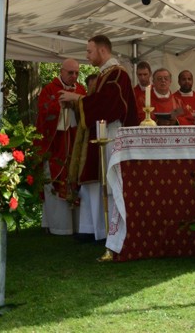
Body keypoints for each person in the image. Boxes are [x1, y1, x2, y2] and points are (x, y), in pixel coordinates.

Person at [59, 35, 139, 243]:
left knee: (108, 183)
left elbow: (110, 105)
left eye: (89, 51)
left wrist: (79, 100)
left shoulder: (117, 74)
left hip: (111, 135)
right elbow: (96, 104)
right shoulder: (105, 74)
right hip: (99, 133)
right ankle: (92, 228)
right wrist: (78, 104)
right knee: (94, 182)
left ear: (102, 51)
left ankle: (108, 231)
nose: (87, 55)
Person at [35, 58, 87, 235]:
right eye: (70, 72)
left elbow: (87, 112)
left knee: (76, 181)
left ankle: (77, 225)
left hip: (75, 144)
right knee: (55, 182)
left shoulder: (80, 90)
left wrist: (77, 103)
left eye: (77, 73)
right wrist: (59, 106)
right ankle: (59, 226)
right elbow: (43, 114)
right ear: (62, 71)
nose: (74, 76)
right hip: (56, 146)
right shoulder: (49, 89)